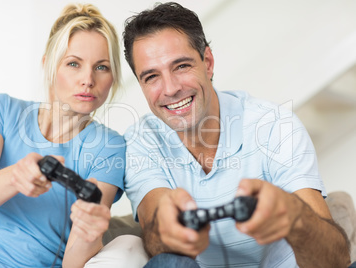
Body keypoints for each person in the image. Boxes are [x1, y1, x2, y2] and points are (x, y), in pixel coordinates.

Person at [122, 2, 352, 267]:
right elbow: (155, 232)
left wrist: (295, 216)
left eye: (181, 66)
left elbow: (336, 260)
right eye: (152, 76)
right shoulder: (141, 140)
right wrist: (168, 231)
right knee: (167, 262)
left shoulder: (274, 124)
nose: (171, 89)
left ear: (207, 63)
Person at [0, 3, 147, 268]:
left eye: (101, 67)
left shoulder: (110, 147)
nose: (88, 79)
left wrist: (90, 233)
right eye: (73, 63)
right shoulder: (2, 109)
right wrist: (15, 176)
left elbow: (73, 262)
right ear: (48, 65)